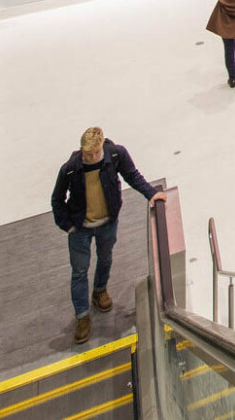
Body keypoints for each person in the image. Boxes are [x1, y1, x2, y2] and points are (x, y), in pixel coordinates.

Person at [51, 127, 158, 344]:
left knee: (105, 258)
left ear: (101, 147)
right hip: (80, 228)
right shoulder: (70, 169)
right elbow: (57, 199)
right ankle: (82, 316)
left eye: (94, 153)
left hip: (107, 223)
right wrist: (67, 226)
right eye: (86, 154)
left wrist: (152, 194)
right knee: (79, 271)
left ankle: (100, 291)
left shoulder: (116, 154)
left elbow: (132, 175)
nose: (90, 158)